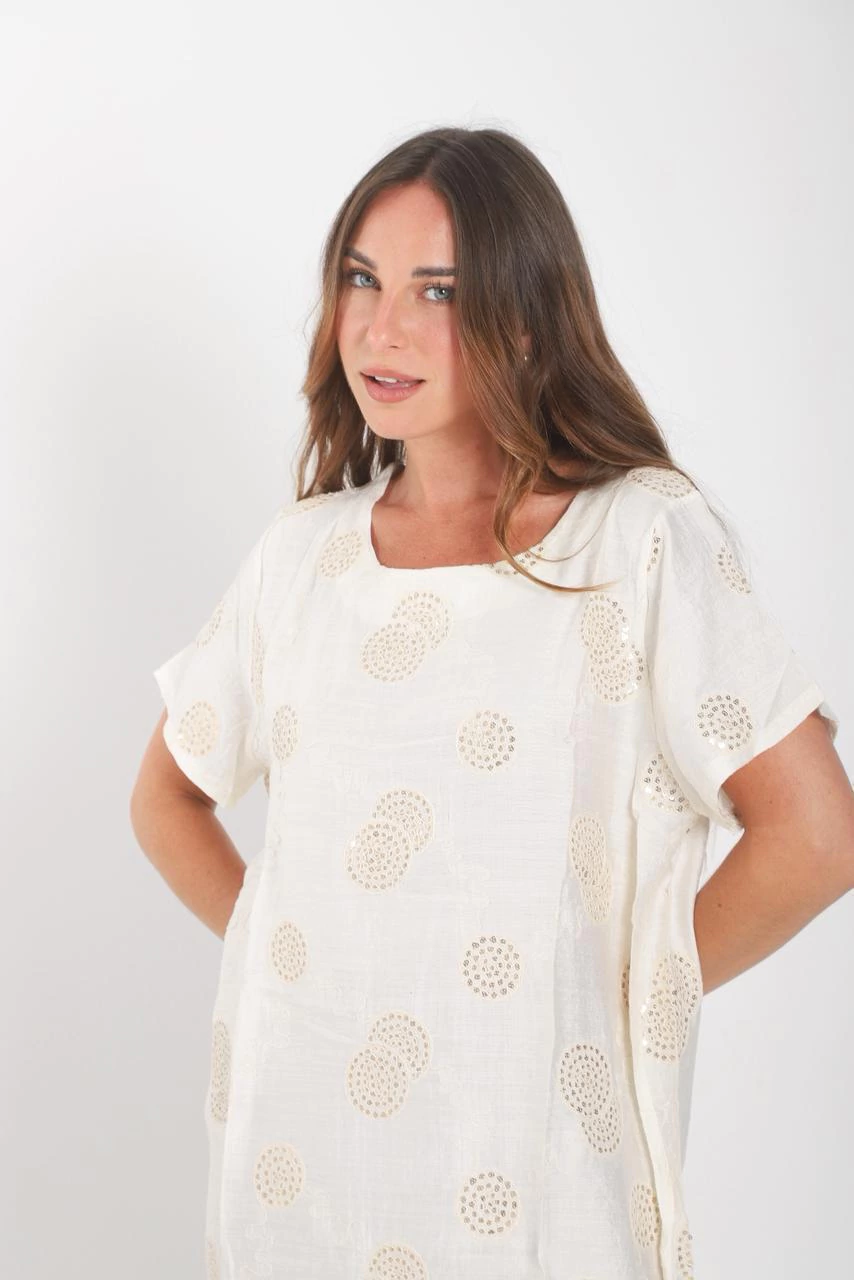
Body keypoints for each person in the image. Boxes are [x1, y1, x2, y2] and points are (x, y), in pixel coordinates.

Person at [129, 126, 852, 1280]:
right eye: (360, 278)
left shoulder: (634, 540)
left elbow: (814, 834)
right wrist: (292, 958)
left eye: (439, 291)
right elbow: (167, 794)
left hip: (538, 1170)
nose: (381, 327)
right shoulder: (301, 557)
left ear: (522, 316)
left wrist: (618, 990)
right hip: (303, 1165)